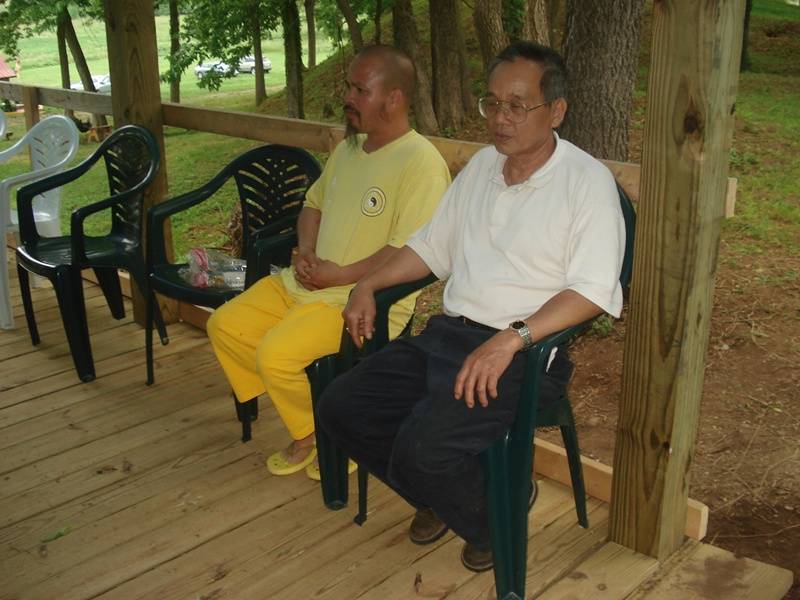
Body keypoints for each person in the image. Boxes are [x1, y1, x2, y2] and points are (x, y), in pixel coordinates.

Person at [317, 41, 626, 572]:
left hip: (523, 356)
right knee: (341, 406)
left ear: (556, 111)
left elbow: (593, 291)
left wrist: (512, 339)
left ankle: (490, 522)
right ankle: (446, 497)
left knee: (422, 450)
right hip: (450, 336)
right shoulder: (483, 166)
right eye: (492, 103)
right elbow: (430, 247)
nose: (500, 118)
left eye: (517, 106)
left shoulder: (586, 183)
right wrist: (367, 284)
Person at [206, 45, 451, 479]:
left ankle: (322, 434)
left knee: (275, 354)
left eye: (360, 90)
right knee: (225, 326)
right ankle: (320, 426)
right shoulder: (349, 149)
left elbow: (408, 251)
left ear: (394, 98)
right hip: (304, 283)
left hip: (360, 301)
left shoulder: (422, 165)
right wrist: (306, 251)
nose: (348, 98)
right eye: (348, 87)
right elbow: (312, 205)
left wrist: (341, 276)